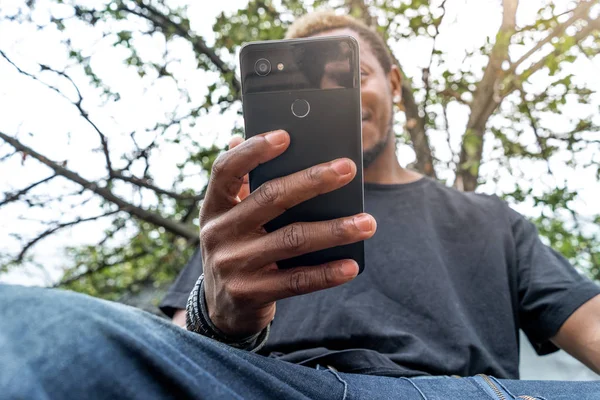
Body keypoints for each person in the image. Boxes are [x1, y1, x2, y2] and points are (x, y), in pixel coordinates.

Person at [1, 11, 599, 400]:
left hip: (468, 392)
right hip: (275, 386)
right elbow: (179, 344)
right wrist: (219, 315)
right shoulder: (248, 217)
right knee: (32, 325)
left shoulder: (492, 220)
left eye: (353, 75)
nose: (333, 97)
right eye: (309, 87)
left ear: (392, 84)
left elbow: (590, 324)